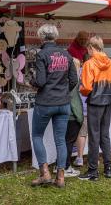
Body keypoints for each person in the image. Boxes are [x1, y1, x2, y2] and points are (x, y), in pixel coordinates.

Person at [30, 24, 78, 188]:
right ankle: (61, 177)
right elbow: (74, 80)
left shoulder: (42, 54)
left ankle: (45, 174)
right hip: (63, 103)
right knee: (60, 141)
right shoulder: (67, 55)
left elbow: (41, 81)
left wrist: (32, 81)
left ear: (41, 37)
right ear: (55, 36)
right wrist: (63, 92)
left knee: (37, 135)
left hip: (45, 102)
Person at [78, 36, 111, 181]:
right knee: (104, 135)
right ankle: (108, 168)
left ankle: (93, 171)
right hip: (107, 101)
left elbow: (86, 87)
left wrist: (83, 91)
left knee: (94, 137)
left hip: (94, 102)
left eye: (88, 49)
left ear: (91, 48)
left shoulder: (89, 64)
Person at [63, 58, 84, 177]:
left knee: (63, 141)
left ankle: (60, 165)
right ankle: (65, 167)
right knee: (69, 142)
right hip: (72, 116)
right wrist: (80, 118)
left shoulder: (62, 80)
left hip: (63, 115)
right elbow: (74, 102)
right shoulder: (73, 82)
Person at [73, 55, 90, 167]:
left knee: (81, 133)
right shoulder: (90, 71)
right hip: (89, 105)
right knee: (87, 133)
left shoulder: (76, 72)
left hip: (78, 106)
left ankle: (79, 157)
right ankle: (86, 156)